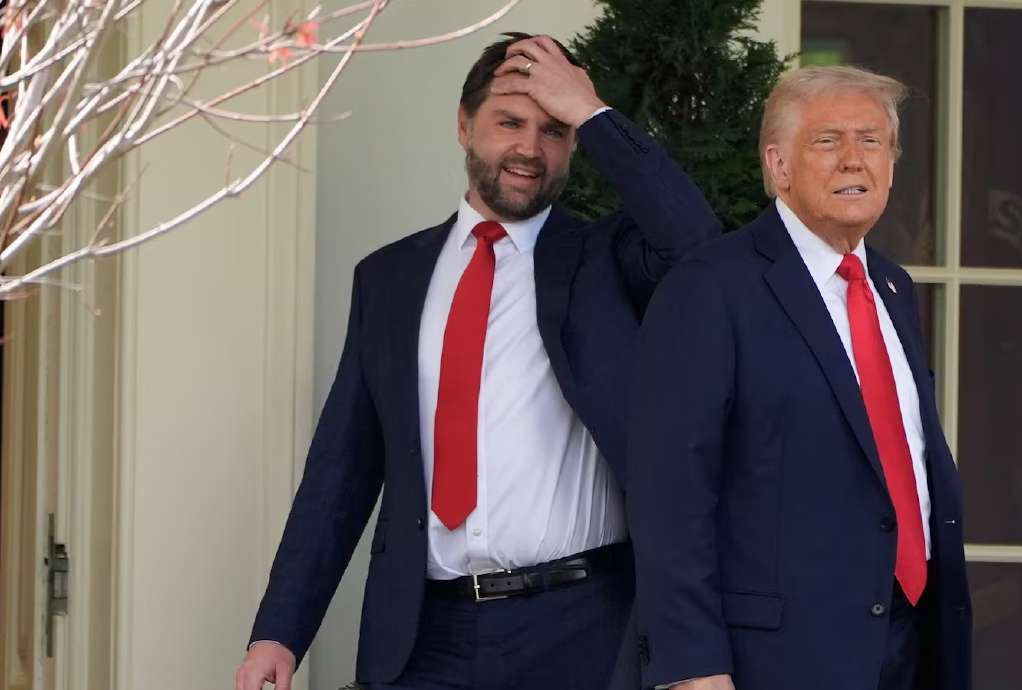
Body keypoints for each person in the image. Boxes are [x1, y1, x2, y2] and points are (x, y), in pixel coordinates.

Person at [233, 32, 720, 690]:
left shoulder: (605, 260)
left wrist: (592, 111)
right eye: (509, 122)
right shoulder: (388, 279)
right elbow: (341, 471)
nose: (529, 149)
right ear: (464, 125)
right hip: (425, 635)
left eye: (553, 130)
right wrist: (280, 632)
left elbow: (696, 245)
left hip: (582, 629)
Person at [626, 65, 972, 690]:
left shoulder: (892, 287)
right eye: (826, 140)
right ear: (778, 166)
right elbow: (669, 495)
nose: (852, 160)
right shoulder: (712, 286)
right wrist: (693, 667)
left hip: (908, 642)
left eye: (871, 141)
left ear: (891, 164)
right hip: (777, 659)